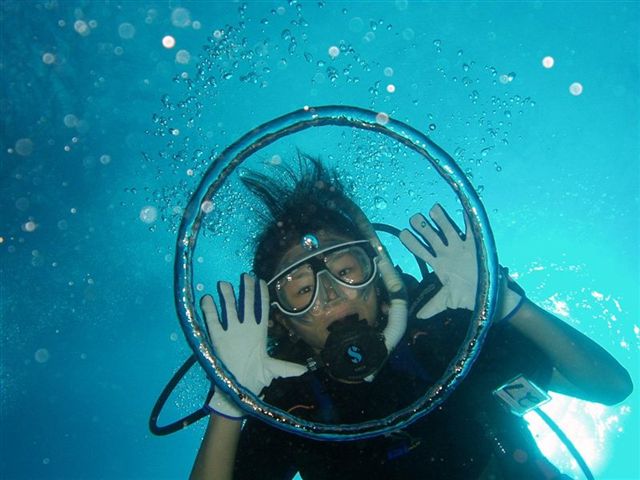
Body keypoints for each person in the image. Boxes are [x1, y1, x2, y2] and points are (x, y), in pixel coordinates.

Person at [190, 155, 632, 480]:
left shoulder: (447, 338)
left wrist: (507, 307)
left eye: (346, 270)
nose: (330, 294)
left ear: (380, 278)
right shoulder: (292, 409)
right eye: (302, 290)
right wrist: (229, 405)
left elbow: (610, 387)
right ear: (279, 320)